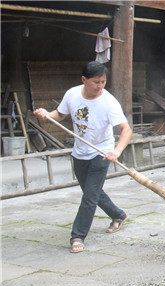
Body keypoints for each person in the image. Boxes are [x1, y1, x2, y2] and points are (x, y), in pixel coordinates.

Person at [33, 61, 132, 253]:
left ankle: (77, 235)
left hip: (101, 153)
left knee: (89, 197)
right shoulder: (72, 94)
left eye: (103, 82)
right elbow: (60, 115)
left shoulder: (109, 102)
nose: (100, 86)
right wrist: (46, 115)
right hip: (80, 152)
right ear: (84, 80)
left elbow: (126, 129)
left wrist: (116, 151)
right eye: (96, 82)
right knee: (92, 192)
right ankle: (118, 214)